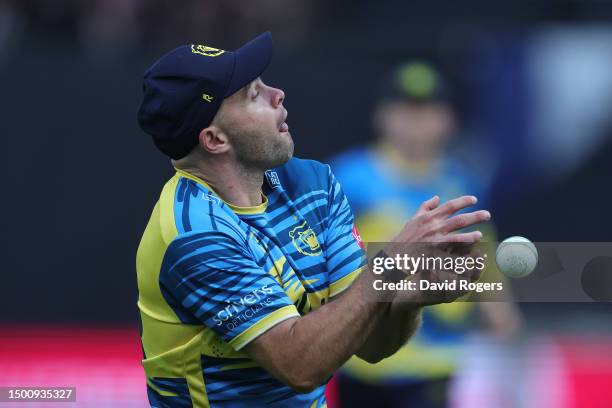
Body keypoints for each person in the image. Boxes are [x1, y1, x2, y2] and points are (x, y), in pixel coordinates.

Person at [135, 33, 491, 408]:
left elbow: (368, 344)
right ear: (215, 139)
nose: (278, 95)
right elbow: (299, 367)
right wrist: (389, 266)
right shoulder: (194, 235)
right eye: (254, 94)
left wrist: (410, 298)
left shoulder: (312, 183)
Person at [331, 61, 520, 408]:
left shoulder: (462, 183)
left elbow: (483, 251)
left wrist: (499, 307)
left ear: (448, 120)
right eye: (403, 109)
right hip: (361, 357)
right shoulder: (349, 176)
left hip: (435, 359)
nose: (414, 122)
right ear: (381, 115)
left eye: (427, 111)